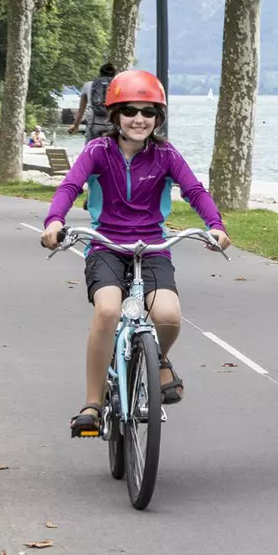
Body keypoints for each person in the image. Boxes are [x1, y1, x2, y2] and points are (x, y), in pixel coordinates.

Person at [39, 70, 229, 436]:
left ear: (158, 118)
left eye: (148, 111)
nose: (139, 119)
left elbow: (195, 190)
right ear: (114, 116)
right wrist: (54, 221)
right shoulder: (98, 151)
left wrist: (215, 225)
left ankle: (158, 358)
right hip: (106, 245)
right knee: (108, 310)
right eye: (129, 111)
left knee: (169, 315)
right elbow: (70, 186)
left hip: (153, 248)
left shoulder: (165, 154)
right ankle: (93, 403)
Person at [78, 63, 118, 139]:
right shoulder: (117, 85)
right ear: (114, 74)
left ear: (100, 73)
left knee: (90, 148)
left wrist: (76, 126)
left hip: (94, 124)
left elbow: (81, 110)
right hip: (111, 125)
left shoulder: (89, 85)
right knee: (113, 147)